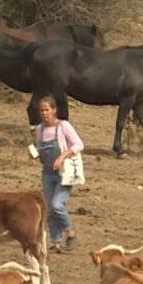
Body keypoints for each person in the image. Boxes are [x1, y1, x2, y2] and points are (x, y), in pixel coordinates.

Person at [31, 95, 83, 253]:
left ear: (54, 110)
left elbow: (79, 144)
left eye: (47, 110)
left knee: (57, 205)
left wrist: (62, 156)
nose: (44, 113)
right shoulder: (40, 129)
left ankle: (70, 232)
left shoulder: (63, 126)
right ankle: (56, 242)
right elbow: (40, 147)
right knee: (49, 209)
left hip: (64, 173)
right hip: (47, 172)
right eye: (42, 111)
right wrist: (35, 153)